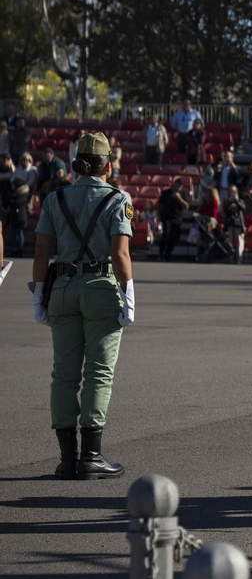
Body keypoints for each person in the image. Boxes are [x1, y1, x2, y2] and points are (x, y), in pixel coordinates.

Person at [29, 131, 135, 480]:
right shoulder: (118, 198)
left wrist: (37, 296)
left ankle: (66, 458)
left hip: (61, 288)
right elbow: (120, 254)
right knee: (98, 372)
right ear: (107, 165)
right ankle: (91, 455)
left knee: (63, 374)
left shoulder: (54, 199)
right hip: (101, 288)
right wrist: (129, 294)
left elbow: (42, 253)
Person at [156, 176, 191, 261]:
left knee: (175, 236)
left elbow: (186, 206)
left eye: (180, 185)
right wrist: (158, 216)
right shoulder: (166, 192)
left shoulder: (183, 194)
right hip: (166, 217)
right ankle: (161, 253)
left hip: (177, 217)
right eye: (177, 184)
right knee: (166, 234)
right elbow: (160, 205)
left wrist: (179, 198)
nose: (178, 187)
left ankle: (168, 253)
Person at [171, 99, 204, 164]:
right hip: (181, 134)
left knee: (191, 151)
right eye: (184, 104)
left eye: (187, 104)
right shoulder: (178, 113)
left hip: (191, 135)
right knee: (180, 151)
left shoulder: (195, 113)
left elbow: (202, 123)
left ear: (190, 105)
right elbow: (173, 124)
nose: (186, 105)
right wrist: (180, 128)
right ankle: (180, 165)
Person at [222, 185, 247, 263]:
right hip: (229, 223)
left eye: (234, 191)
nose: (233, 193)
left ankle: (239, 258)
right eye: (231, 191)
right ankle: (230, 257)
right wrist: (230, 201)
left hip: (238, 223)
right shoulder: (226, 201)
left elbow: (243, 208)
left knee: (239, 241)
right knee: (229, 241)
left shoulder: (240, 200)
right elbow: (225, 210)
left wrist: (236, 201)